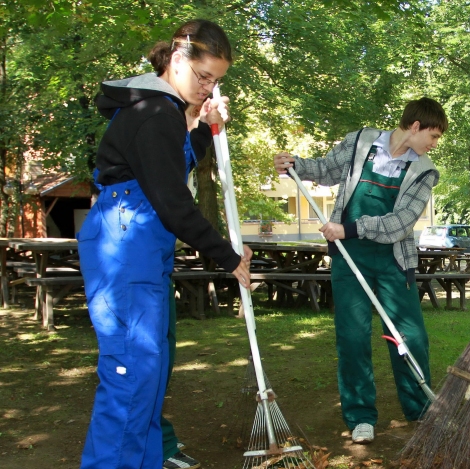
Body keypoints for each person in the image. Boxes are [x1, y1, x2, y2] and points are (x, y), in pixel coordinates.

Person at [77, 19, 251, 469]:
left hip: (140, 244)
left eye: (216, 81)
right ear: (178, 59)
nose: (208, 88)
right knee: (132, 375)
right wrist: (229, 257)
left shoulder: (163, 113)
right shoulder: (153, 114)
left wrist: (206, 128)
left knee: (149, 375)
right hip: (124, 242)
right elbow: (173, 201)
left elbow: (171, 166)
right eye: (203, 77)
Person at [273, 98, 447, 444]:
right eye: (433, 134)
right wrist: (294, 164)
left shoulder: (425, 171)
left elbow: (400, 223)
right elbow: (325, 170)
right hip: (348, 259)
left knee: (409, 338)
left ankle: (418, 409)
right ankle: (360, 416)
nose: (434, 143)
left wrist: (349, 228)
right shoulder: (360, 142)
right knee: (352, 338)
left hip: (394, 261)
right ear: (414, 126)